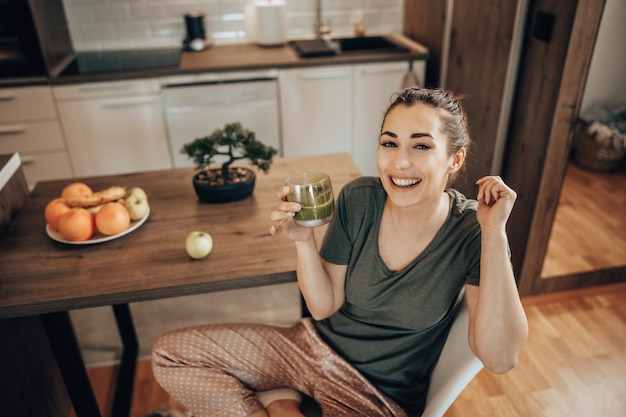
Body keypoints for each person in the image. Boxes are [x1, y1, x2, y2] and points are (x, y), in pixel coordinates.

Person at [151, 87, 529, 417]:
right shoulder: (359, 198)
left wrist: (494, 232)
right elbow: (323, 306)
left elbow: (500, 358)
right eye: (389, 142)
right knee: (170, 354)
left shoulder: (472, 231)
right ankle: (284, 406)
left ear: (455, 159)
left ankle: (282, 402)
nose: (399, 162)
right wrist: (303, 241)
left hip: (373, 395)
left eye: (422, 145)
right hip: (308, 350)